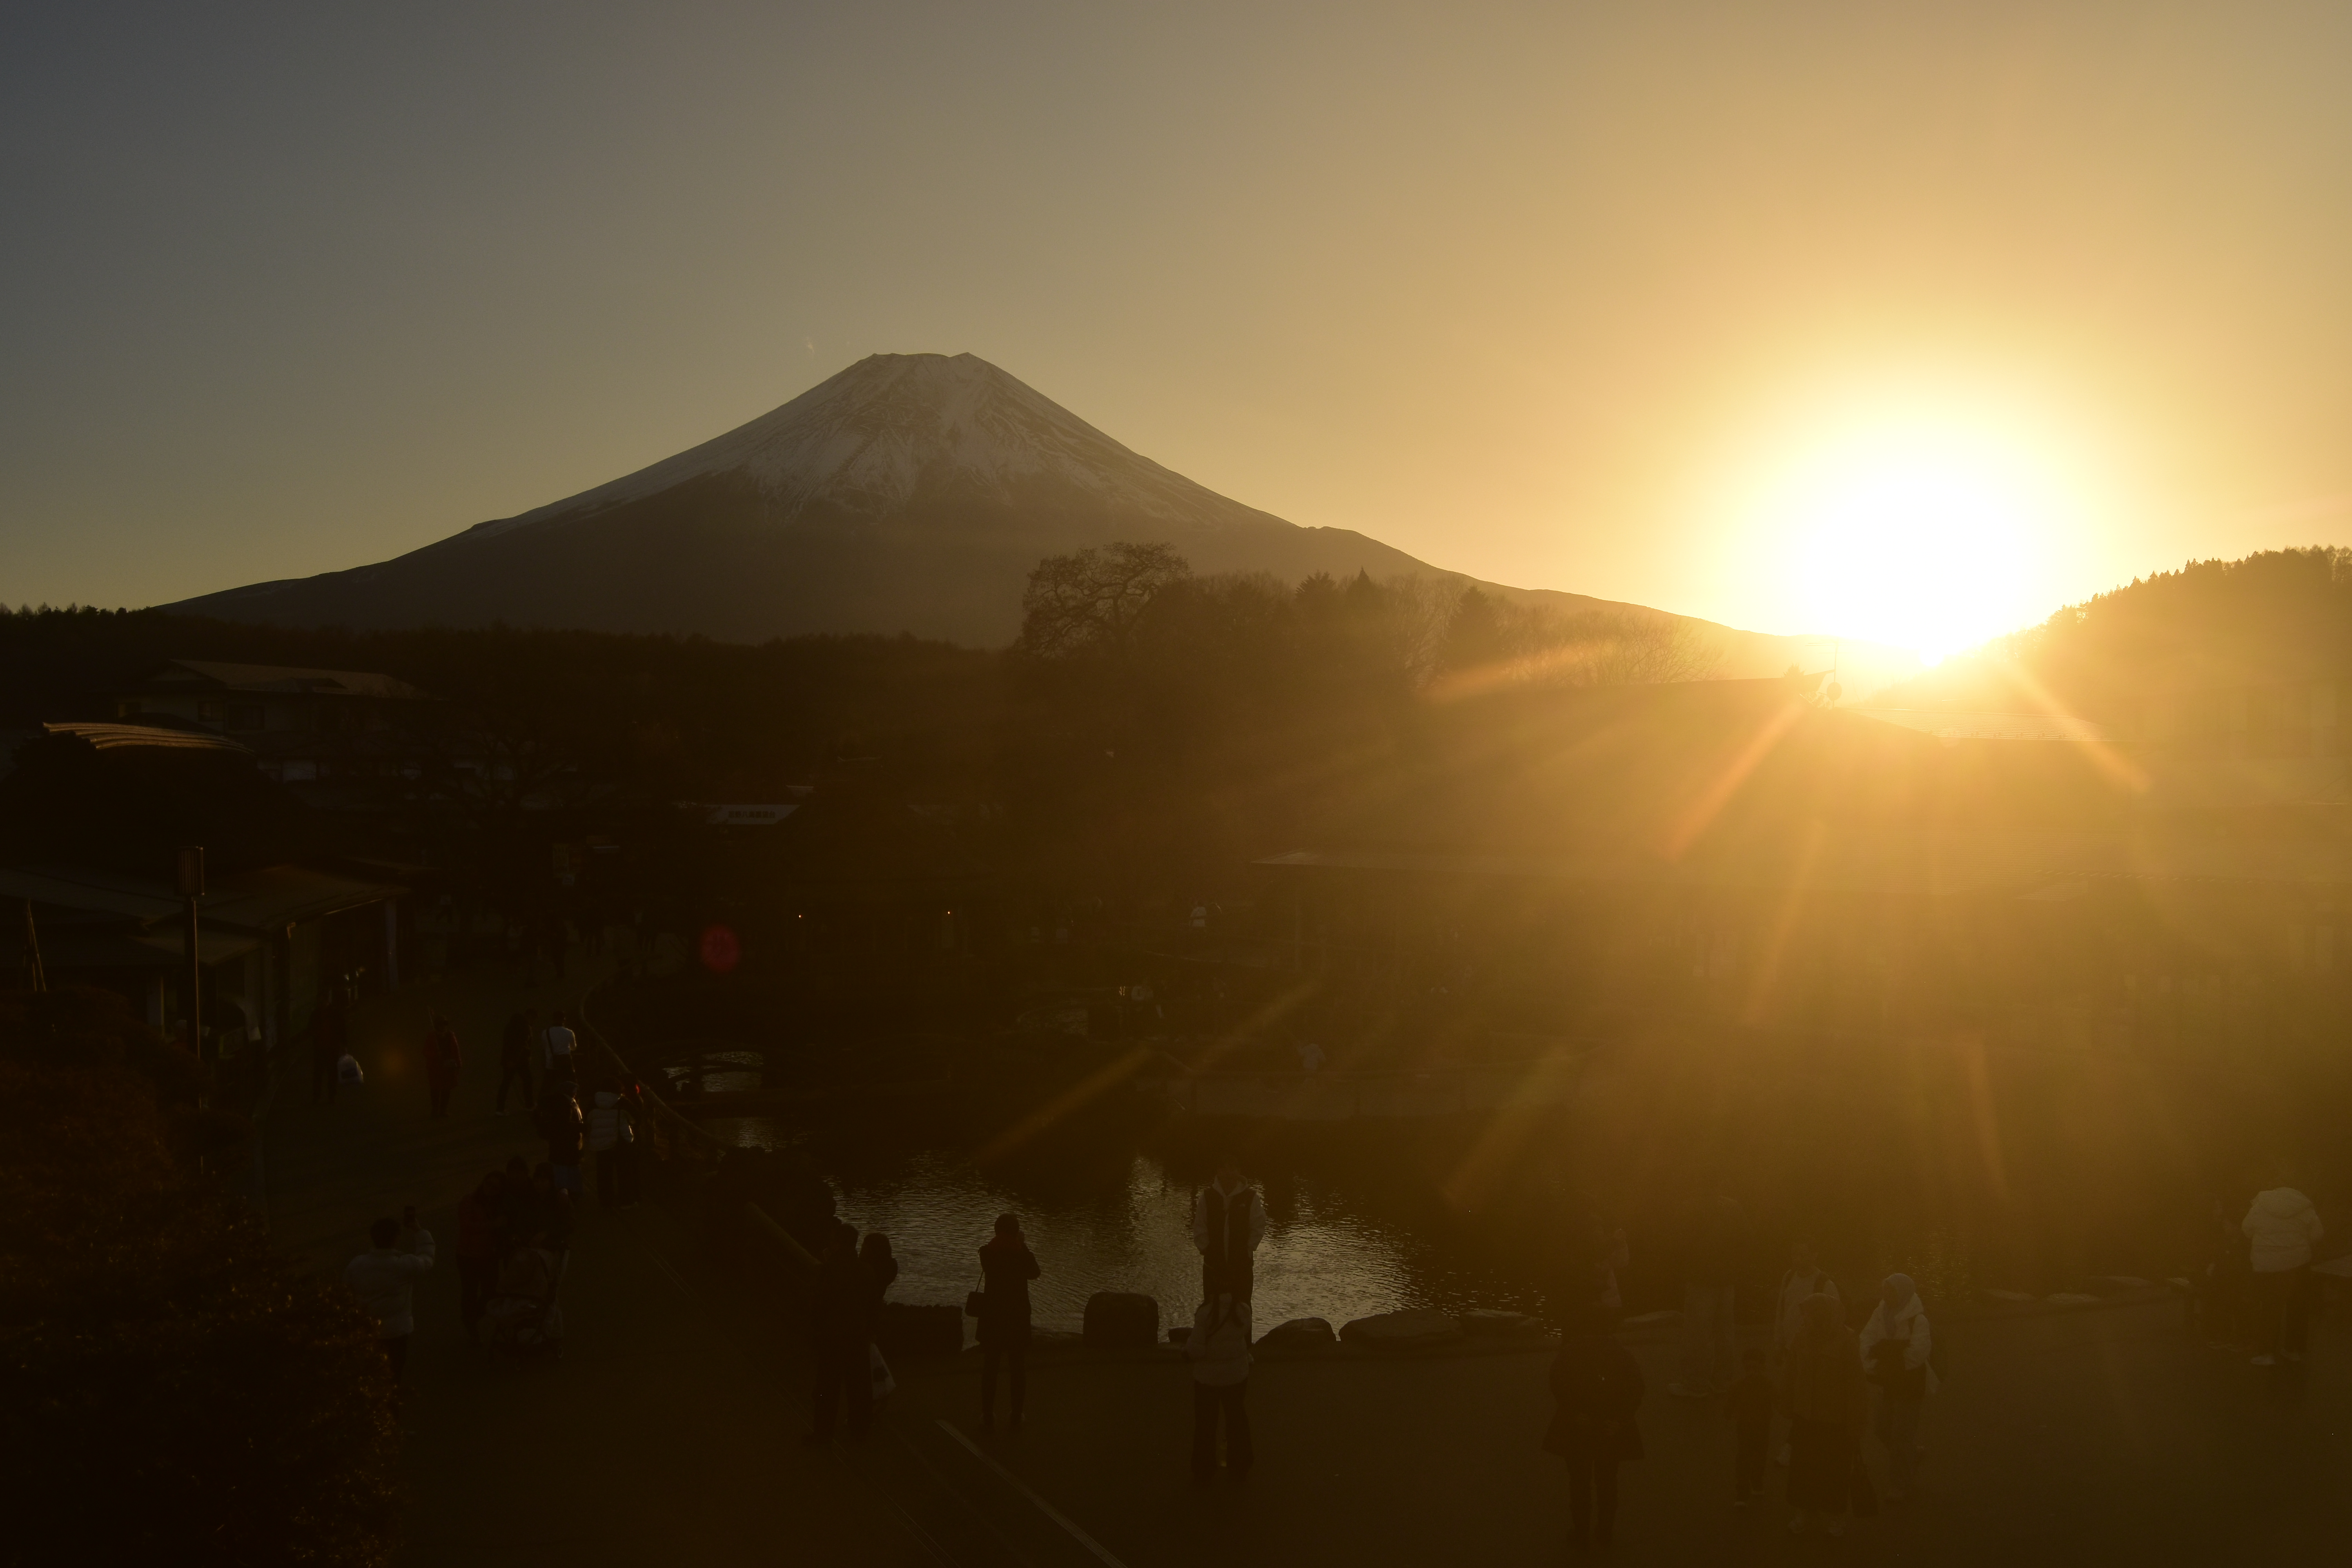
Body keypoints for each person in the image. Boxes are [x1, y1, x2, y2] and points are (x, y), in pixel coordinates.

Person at [1541, 1307, 1646, 1553]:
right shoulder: (1621, 1354)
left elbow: (1558, 1384)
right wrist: (1620, 1419)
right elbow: (1636, 1388)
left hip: (1579, 1428)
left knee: (1579, 1482)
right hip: (1611, 1429)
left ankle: (1581, 1532)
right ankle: (1606, 1530)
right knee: (1608, 1481)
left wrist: (1575, 1413)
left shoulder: (1570, 1352)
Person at [1781, 1292, 1867, 1536]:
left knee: (1834, 1471)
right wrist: (1787, 1403)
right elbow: (1791, 1372)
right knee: (1803, 1469)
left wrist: (1856, 1423)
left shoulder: (1846, 1342)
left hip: (1835, 1420)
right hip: (1805, 1416)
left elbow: (1856, 1387)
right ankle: (1804, 1513)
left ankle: (1835, 1517)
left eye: (1809, 1315)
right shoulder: (1801, 1338)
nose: (1805, 1319)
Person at [1858, 1273, 1935, 1498]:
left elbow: (1918, 1354)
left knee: (1901, 1435)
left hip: (1909, 1385)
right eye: (1885, 1290)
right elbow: (1867, 1339)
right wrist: (1874, 1362)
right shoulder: (1880, 1313)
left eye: (1891, 1291)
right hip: (1889, 1383)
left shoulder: (1918, 1320)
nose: (1886, 1295)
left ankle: (1899, 1484)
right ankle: (1909, 1456)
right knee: (1882, 1428)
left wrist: (1884, 1358)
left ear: (1903, 1293)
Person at [2242, 1174, 2325, 1366]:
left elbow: (2246, 1229)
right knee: (2297, 1307)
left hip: (2268, 1266)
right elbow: (2318, 1235)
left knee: (2270, 1309)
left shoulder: (2260, 1206)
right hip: (2298, 1265)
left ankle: (2267, 1353)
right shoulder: (2305, 1208)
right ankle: (2293, 1350)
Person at [345, 1208, 435, 1382]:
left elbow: (346, 1292)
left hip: (368, 1329)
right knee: (394, 1373)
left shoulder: (357, 1265)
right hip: (396, 1332)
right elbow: (428, 1259)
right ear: (396, 1238)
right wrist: (419, 1231)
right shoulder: (404, 1265)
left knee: (370, 1373)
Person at [1670, 1193, 1747, 1398]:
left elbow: (1680, 1240)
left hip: (1701, 1277)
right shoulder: (1734, 1207)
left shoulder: (1692, 1206)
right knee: (1725, 1332)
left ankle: (1696, 1384)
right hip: (1727, 1278)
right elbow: (1743, 1239)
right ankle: (1723, 1381)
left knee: (1698, 1333)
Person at [809, 1225, 878, 1444]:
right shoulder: (866, 1270)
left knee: (827, 1388)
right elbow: (874, 1306)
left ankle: (823, 1432)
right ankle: (860, 1431)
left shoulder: (829, 1270)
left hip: (832, 1335)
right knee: (859, 1387)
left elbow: (819, 1303)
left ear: (837, 1244)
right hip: (857, 1335)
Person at [977, 1212, 1040, 1429]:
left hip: (992, 1316)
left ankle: (987, 1415)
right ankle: (1016, 1414)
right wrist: (1022, 1245)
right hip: (1017, 1316)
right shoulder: (1020, 1254)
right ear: (1016, 1232)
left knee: (990, 1367)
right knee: (1017, 1366)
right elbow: (1035, 1273)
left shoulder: (986, 1253)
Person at [1187, 1291, 1254, 1483]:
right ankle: (1240, 1464)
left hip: (1208, 1378)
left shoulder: (1205, 1314)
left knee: (1206, 1423)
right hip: (1237, 1376)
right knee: (1237, 1418)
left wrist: (1186, 1350)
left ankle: (1204, 1468)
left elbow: (1197, 1350)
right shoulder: (1243, 1311)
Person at [1191, 1162, 1267, 1305]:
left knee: (1242, 1308)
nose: (1228, 1173)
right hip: (1213, 1267)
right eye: (1224, 1168)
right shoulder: (1207, 1197)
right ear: (1218, 1171)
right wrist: (1207, 1250)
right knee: (1212, 1307)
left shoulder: (1251, 1197)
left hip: (1242, 1268)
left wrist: (1247, 1250)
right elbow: (1200, 1227)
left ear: (1239, 1171)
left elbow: (1258, 1226)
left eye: (1233, 1168)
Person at [456, 1173, 505, 1340]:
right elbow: (466, 1224)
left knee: (491, 1291)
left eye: (495, 1187)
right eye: (488, 1184)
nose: (490, 1189)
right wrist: (491, 1225)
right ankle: (471, 1321)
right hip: (468, 1255)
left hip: (488, 1255)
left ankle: (472, 1319)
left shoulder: (497, 1204)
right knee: (470, 1292)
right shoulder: (469, 1200)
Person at [1725, 1347, 1775, 1505]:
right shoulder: (1741, 1385)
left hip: (1761, 1427)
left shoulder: (1767, 1385)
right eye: (1749, 1369)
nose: (1752, 1372)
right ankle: (1743, 1491)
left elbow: (1779, 1400)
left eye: (1756, 1369)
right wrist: (1728, 1411)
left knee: (1759, 1457)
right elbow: (1731, 1401)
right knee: (1744, 1458)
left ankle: (1756, 1479)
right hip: (1746, 1428)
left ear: (1762, 1368)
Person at [586, 1089, 635, 1211]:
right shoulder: (623, 1102)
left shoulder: (594, 1102)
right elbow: (635, 1118)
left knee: (604, 1174)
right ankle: (626, 1201)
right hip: (620, 1143)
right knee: (624, 1173)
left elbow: (588, 1120)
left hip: (601, 1143)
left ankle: (606, 1202)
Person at [539, 1086, 586, 1200]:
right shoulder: (565, 1104)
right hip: (568, 1144)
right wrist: (582, 1127)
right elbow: (564, 1125)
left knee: (562, 1170)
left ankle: (564, 1193)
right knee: (570, 1170)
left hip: (559, 1146)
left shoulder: (554, 1103)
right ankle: (570, 1194)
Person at [310, 991, 347, 1104]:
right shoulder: (333, 1013)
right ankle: (326, 1096)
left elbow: (342, 1030)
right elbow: (342, 1030)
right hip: (326, 1048)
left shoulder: (319, 1014)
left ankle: (326, 1096)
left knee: (326, 1074)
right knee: (325, 1074)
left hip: (328, 1048)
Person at [497, 1009, 536, 1114]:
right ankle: (529, 1105)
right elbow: (522, 1045)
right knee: (528, 1081)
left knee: (506, 1083)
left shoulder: (509, 1026)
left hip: (508, 1060)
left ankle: (500, 1109)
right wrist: (514, 1060)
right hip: (521, 1060)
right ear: (530, 1017)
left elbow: (507, 1045)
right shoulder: (525, 1027)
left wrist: (508, 1060)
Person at [423, 1013, 462, 1118]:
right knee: (435, 1089)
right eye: (441, 1024)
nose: (444, 1026)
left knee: (447, 1089)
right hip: (436, 1067)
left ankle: (443, 1110)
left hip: (448, 1066)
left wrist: (458, 1065)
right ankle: (435, 1110)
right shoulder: (432, 1037)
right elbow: (426, 1052)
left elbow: (456, 1051)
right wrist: (436, 1054)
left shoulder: (451, 1035)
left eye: (445, 1024)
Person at [541, 1011, 579, 1088]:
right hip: (566, 1064)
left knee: (548, 1087)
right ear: (564, 1020)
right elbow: (574, 1048)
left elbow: (544, 1047)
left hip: (551, 1064)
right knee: (571, 1086)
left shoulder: (546, 1033)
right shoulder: (570, 1033)